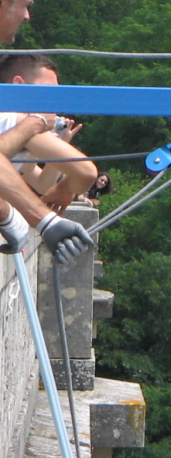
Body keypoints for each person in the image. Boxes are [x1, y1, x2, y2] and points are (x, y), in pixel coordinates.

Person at [0, 0, 94, 262]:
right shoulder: (19, 120)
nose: (27, 16)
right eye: (24, 5)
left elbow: (36, 180)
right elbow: (86, 171)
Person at [0, 54, 97, 211]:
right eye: (47, 91)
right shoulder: (18, 122)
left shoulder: (20, 127)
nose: (53, 101)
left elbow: (41, 183)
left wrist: (58, 145)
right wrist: (64, 190)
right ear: (18, 84)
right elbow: (86, 172)